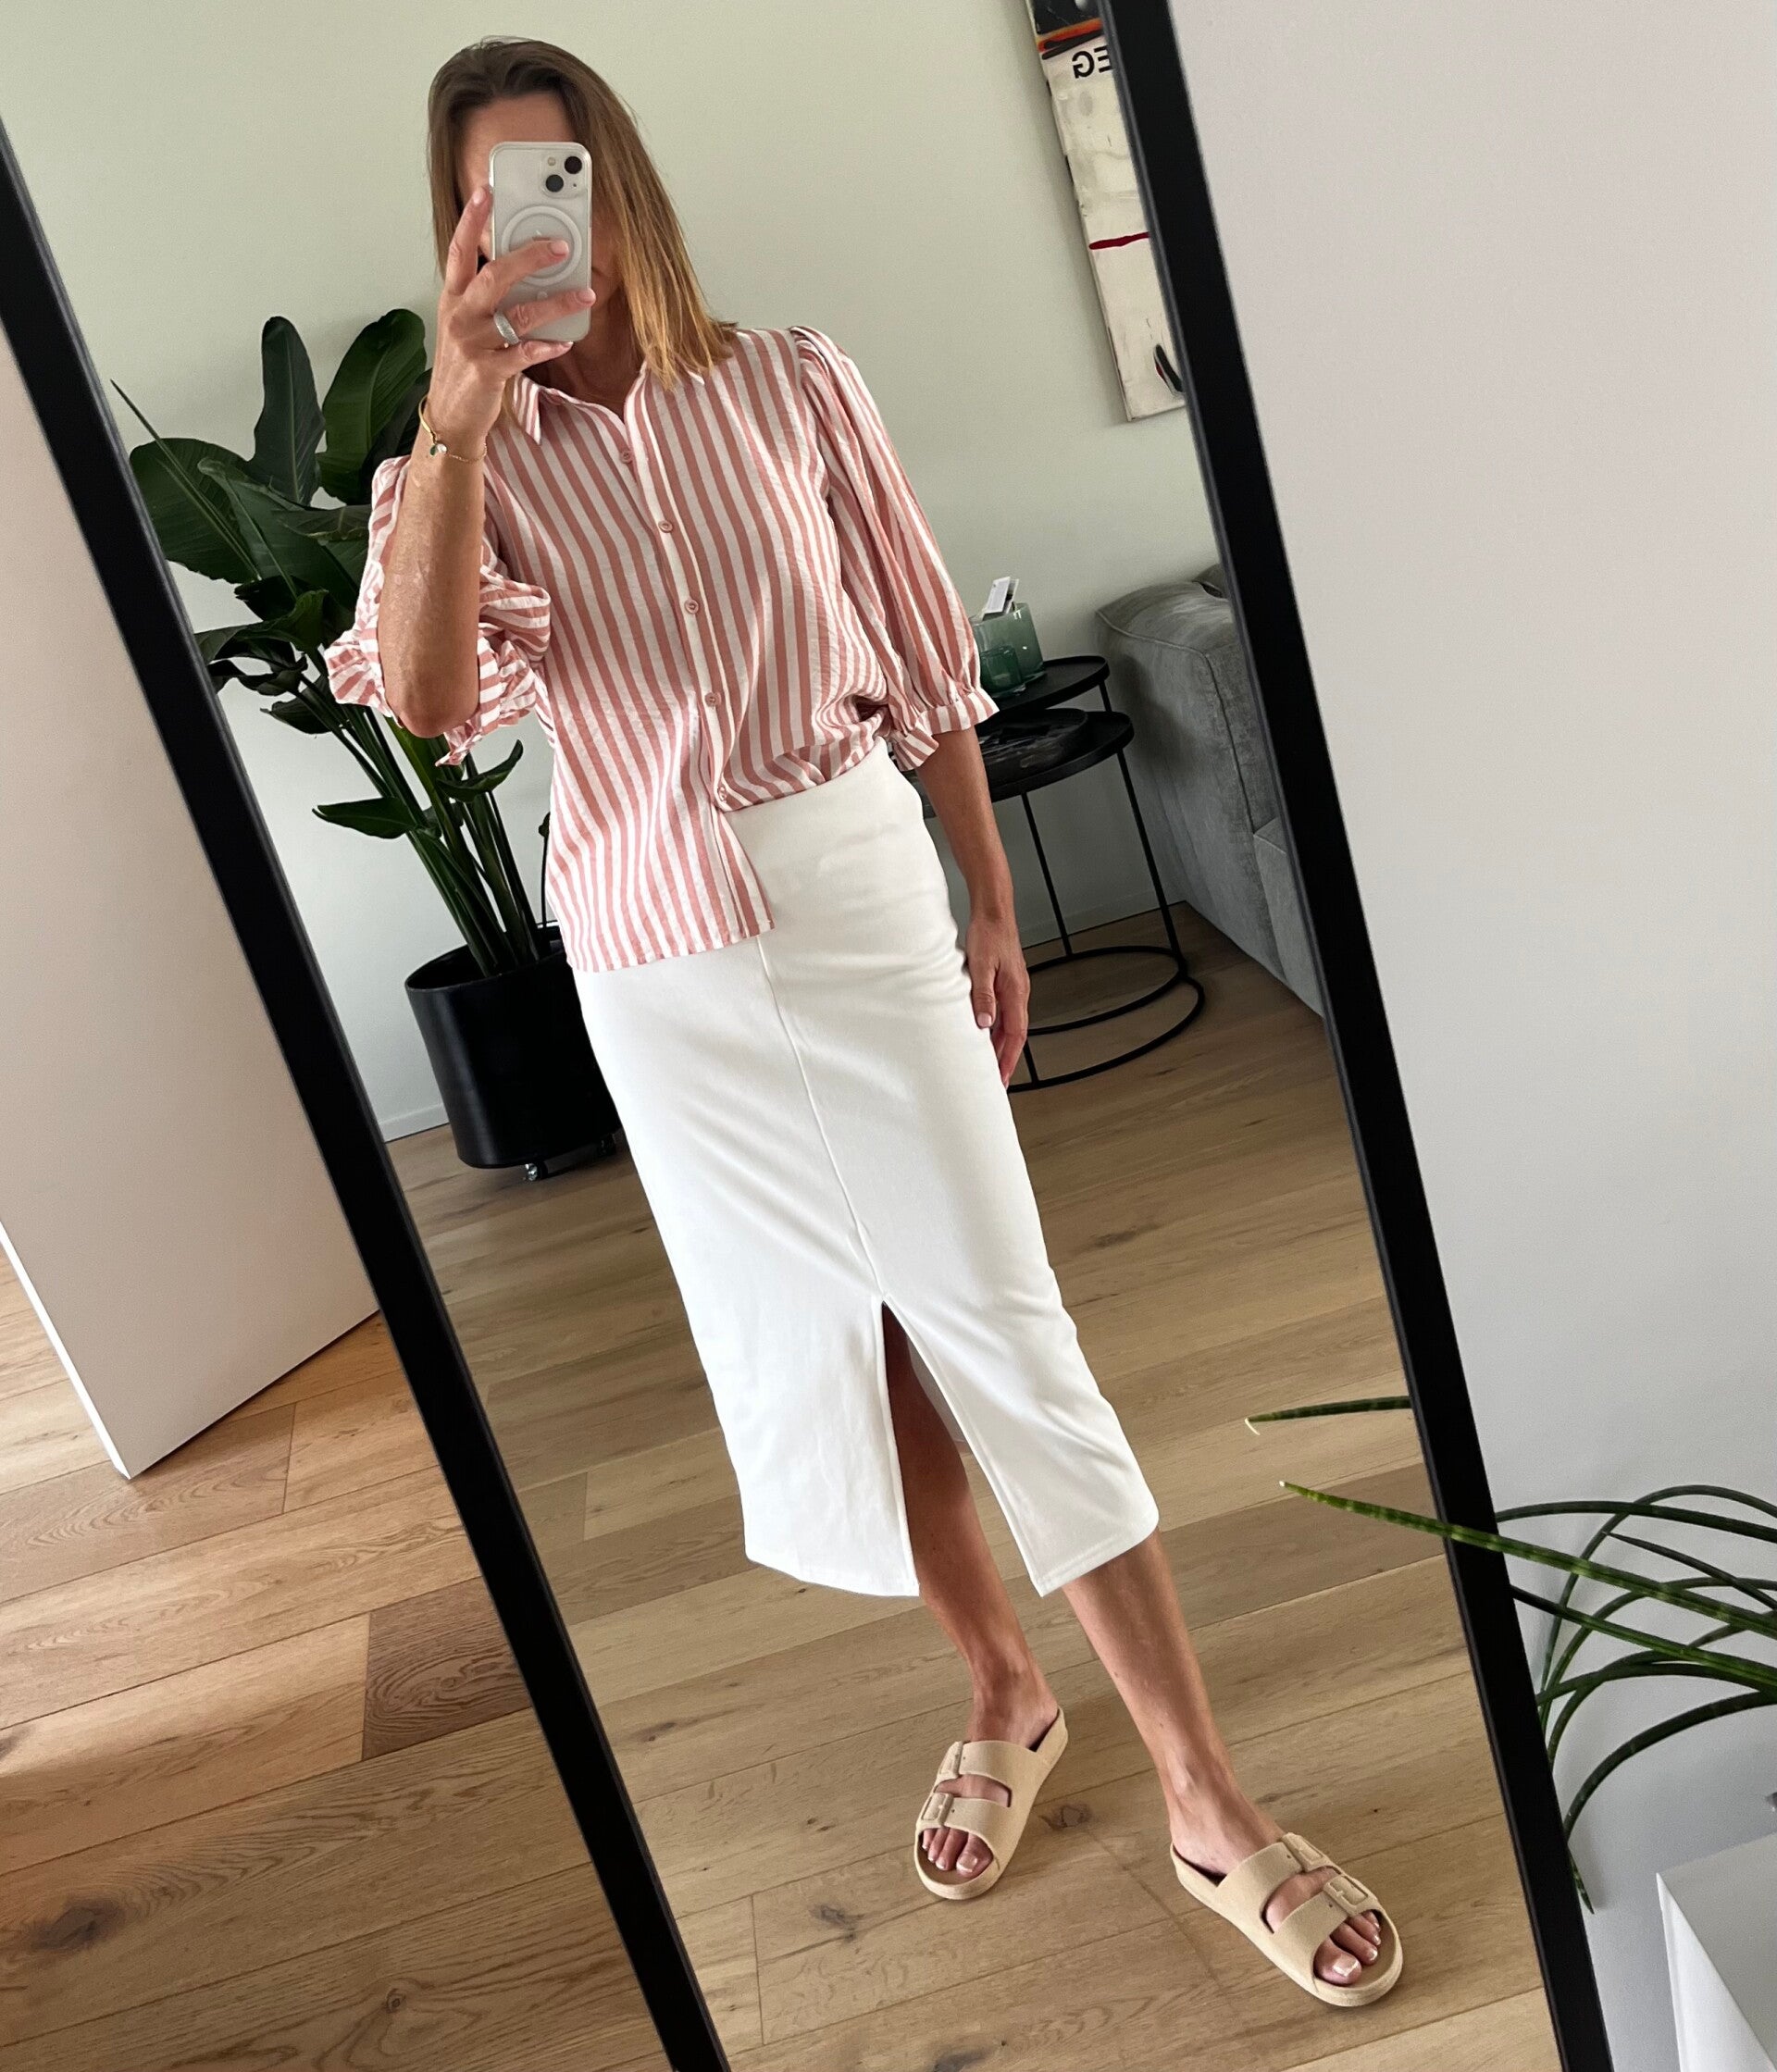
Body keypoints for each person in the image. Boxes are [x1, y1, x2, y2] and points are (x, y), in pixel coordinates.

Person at [322, 35, 1399, 2008]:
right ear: (456, 227)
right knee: (835, 1341)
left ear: (618, 179)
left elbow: (919, 648)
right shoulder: (459, 465)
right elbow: (430, 706)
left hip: (854, 891)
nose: (534, 226)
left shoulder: (793, 380)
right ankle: (1002, 1682)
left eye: (558, 176)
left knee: (1001, 1317)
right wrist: (460, 424)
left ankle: (1202, 1791)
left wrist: (989, 890)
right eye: (490, 197)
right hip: (657, 960)